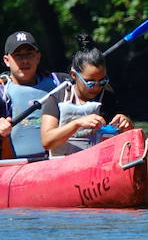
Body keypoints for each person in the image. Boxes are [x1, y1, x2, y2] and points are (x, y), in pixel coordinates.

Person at [39, 34, 132, 156]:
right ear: (73, 74)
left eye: (102, 81)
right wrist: (77, 123)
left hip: (98, 167)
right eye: (90, 82)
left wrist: (128, 126)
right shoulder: (57, 97)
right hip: (63, 166)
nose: (97, 87)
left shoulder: (109, 97)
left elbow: (130, 139)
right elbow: (47, 141)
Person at [1, 30, 66, 159]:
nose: (25, 61)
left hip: (56, 163)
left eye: (29, 54)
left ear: (38, 57)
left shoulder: (60, 82)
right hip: (15, 167)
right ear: (7, 60)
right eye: (18, 55)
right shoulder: (2, 91)